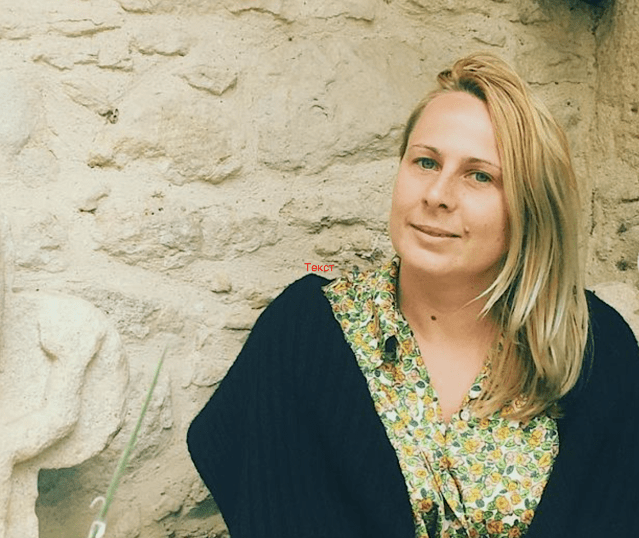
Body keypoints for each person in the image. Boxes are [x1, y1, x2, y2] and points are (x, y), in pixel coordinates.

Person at [187, 54, 639, 538]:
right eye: (426, 162)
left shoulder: (594, 346)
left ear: (531, 205)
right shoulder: (306, 332)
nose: (437, 194)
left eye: (479, 175)